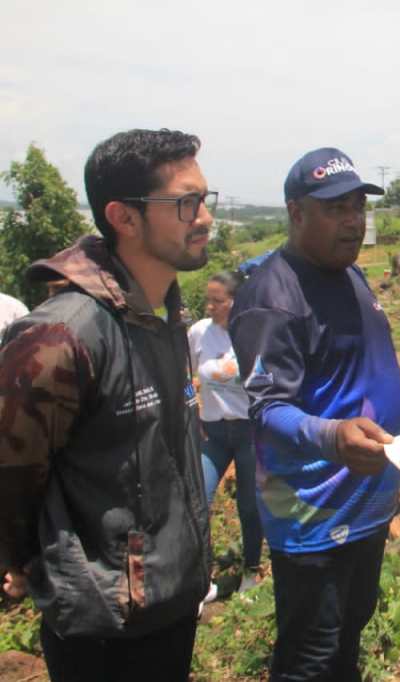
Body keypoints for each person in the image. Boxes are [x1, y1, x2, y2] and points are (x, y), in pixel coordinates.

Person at [0, 128, 215, 681]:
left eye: (204, 199)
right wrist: (23, 560)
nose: (205, 217)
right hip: (105, 626)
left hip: (170, 600)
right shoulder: (63, 336)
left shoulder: (164, 313)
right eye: (185, 203)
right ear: (124, 217)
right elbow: (10, 470)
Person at [229, 147, 400, 681]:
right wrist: (331, 435)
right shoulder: (272, 295)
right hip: (313, 518)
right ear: (296, 212)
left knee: (349, 632)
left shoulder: (351, 275)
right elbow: (265, 408)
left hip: (365, 506)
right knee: (311, 657)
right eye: (336, 209)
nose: (353, 221)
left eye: (358, 206)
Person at [188, 270, 263, 599]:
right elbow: (186, 373)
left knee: (248, 506)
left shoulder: (252, 333)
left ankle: (251, 568)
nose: (209, 307)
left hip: (247, 431)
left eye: (217, 301)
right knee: (197, 502)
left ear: (235, 302)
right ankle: (203, 579)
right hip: (214, 433)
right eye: (208, 300)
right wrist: (193, 411)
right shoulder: (198, 333)